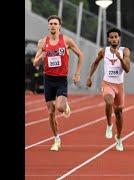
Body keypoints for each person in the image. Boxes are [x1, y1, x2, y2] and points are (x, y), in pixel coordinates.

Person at [33, 15, 84, 151]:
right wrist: (40, 58)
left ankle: (65, 106)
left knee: (60, 108)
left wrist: (77, 73)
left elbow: (80, 55)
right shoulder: (43, 42)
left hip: (61, 80)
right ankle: (56, 139)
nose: (53, 26)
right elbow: (35, 62)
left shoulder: (66, 40)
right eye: (51, 23)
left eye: (55, 23)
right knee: (51, 112)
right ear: (48, 26)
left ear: (59, 26)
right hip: (48, 79)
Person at [86, 28, 131, 151]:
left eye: (116, 37)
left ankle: (119, 138)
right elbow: (95, 63)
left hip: (119, 86)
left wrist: (120, 58)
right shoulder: (103, 51)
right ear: (108, 39)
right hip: (107, 83)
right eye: (111, 37)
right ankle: (109, 125)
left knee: (119, 113)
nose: (114, 39)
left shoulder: (125, 51)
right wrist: (89, 77)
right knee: (109, 102)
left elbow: (127, 69)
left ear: (119, 38)